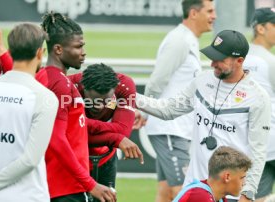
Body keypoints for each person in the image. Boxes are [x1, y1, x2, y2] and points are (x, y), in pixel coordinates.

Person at [136, 29, 271, 202]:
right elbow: (168, 110)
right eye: (212, 56)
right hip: (196, 187)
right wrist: (128, 95)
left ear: (239, 61)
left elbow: (258, 152)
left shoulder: (258, 97)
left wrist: (247, 194)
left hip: (231, 195)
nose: (213, 63)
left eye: (220, 59)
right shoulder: (202, 81)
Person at [134, 0, 216, 201]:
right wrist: (145, 112)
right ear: (194, 13)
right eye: (210, 11)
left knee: (165, 192)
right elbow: (157, 81)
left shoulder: (188, 39)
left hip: (176, 128)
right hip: (170, 128)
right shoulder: (179, 40)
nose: (214, 16)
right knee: (184, 192)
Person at [36, 12, 116, 202]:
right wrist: (90, 183)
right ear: (58, 49)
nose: (83, 52)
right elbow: (56, 139)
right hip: (64, 188)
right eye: (78, 47)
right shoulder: (59, 84)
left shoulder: (48, 78)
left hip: (60, 186)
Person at [0, 23, 58, 201]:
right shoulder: (45, 98)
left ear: (10, 49)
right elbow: (30, 160)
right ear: (40, 53)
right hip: (29, 195)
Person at [68, 63, 144, 188]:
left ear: (114, 90)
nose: (99, 106)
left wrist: (81, 123)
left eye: (106, 101)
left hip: (105, 159)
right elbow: (67, 133)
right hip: (72, 159)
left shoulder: (124, 86)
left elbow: (123, 131)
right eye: (92, 101)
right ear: (83, 88)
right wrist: (114, 138)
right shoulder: (69, 86)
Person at [243, 7, 275, 202]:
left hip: (254, 144)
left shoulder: (239, 58)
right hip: (271, 138)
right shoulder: (270, 61)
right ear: (261, 28)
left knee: (256, 197)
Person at [173, 146, 252, 202]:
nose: (244, 183)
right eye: (242, 177)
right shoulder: (200, 196)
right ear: (227, 177)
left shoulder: (220, 198)